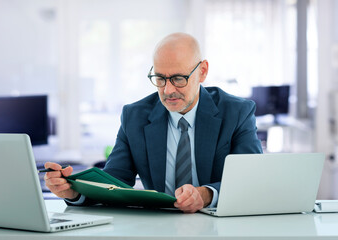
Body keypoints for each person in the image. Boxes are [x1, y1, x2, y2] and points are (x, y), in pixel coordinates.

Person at [44, 33, 262, 213]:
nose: (168, 91)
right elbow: (113, 182)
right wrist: (74, 191)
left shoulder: (237, 112)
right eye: (160, 79)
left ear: (202, 71)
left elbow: (252, 181)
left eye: (178, 79)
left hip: (218, 226)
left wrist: (205, 195)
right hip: (156, 226)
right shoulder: (134, 116)